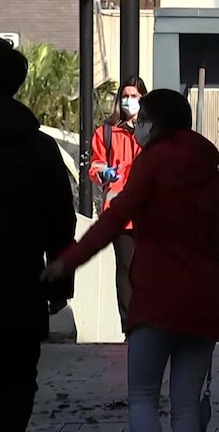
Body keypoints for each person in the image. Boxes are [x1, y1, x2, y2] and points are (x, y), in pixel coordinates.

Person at [42, 89, 219, 432]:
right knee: (186, 404)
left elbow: (115, 218)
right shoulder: (208, 170)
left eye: (141, 121)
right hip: (203, 301)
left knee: (143, 397)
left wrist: (67, 261)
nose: (136, 126)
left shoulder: (151, 162)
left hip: (157, 298)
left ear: (155, 125)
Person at [0, 38, 76, 432]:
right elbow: (62, 218)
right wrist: (59, 282)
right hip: (19, 286)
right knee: (17, 386)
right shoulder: (41, 147)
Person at [90, 76, 148, 333]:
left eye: (134, 96)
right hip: (120, 212)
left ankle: (148, 320)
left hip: (149, 211)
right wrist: (104, 173)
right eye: (125, 95)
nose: (128, 100)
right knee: (125, 267)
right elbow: (95, 165)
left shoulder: (152, 132)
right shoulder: (107, 132)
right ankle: (130, 325)